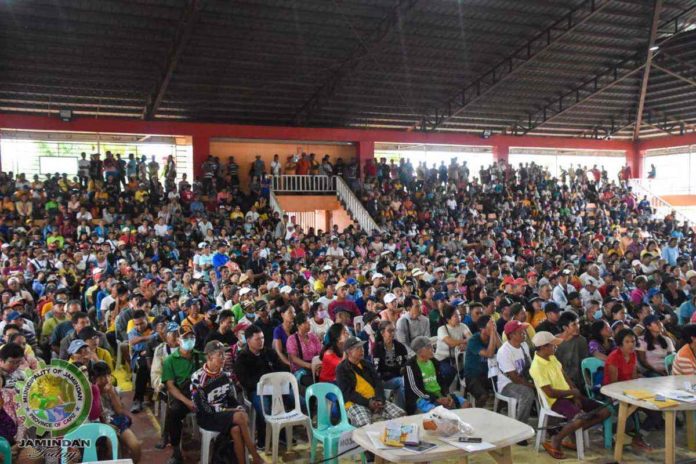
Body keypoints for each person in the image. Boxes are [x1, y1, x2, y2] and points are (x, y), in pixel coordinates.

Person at [529, 331, 611, 460]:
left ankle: (571, 432)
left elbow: (566, 378)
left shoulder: (552, 357)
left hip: (569, 395)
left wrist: (575, 395)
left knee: (605, 411)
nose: (556, 347)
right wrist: (571, 393)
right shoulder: (536, 366)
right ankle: (557, 439)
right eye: (552, 345)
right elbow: (550, 392)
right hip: (555, 400)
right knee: (580, 418)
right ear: (543, 347)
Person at [191, 341, 263, 464]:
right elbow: (202, 407)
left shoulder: (225, 375)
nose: (224, 358)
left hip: (225, 415)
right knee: (240, 416)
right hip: (207, 417)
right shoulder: (198, 377)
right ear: (209, 357)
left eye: (224, 355)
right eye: (220, 355)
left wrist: (238, 407)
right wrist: (229, 410)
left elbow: (230, 398)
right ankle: (255, 456)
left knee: (236, 429)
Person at [234, 325, 289, 448]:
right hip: (255, 391)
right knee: (265, 407)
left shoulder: (269, 352)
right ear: (248, 341)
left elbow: (281, 367)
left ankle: (282, 434)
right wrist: (263, 385)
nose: (261, 341)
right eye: (257, 339)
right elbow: (245, 381)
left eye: (263, 338)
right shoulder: (242, 358)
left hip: (275, 387)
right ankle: (263, 440)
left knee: (296, 401)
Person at [603, 329, 656, 446]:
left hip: (631, 392)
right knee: (628, 425)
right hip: (614, 394)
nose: (631, 344)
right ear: (620, 343)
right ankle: (605, 430)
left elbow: (633, 378)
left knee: (656, 413)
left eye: (633, 341)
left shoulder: (632, 355)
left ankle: (638, 437)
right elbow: (614, 385)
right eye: (627, 342)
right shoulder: (614, 358)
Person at [336, 336, 405, 427]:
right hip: (355, 403)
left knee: (402, 416)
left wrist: (379, 399)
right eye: (358, 348)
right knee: (365, 426)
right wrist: (368, 403)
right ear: (349, 352)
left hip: (375, 400)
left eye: (362, 347)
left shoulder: (367, 364)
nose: (362, 350)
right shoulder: (342, 369)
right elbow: (348, 393)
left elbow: (378, 383)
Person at [161, 325, 204, 464]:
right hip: (182, 396)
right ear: (178, 340)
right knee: (173, 412)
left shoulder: (201, 356)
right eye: (186, 338)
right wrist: (187, 402)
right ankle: (176, 450)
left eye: (192, 337)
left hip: (201, 395)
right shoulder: (170, 360)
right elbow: (171, 387)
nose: (189, 340)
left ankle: (218, 446)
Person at [91, 361, 142, 463]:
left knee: (135, 446)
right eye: (101, 377)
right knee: (114, 446)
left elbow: (119, 411)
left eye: (107, 376)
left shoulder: (112, 389)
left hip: (115, 420)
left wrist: (111, 393)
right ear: (94, 379)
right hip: (99, 424)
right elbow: (94, 416)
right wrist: (106, 425)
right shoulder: (90, 392)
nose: (106, 380)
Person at [404, 336, 469, 414]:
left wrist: (446, 394)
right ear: (420, 351)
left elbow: (442, 381)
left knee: (466, 404)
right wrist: (435, 399)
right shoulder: (410, 366)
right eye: (429, 347)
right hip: (422, 399)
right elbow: (415, 389)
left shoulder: (434, 362)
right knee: (439, 414)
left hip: (439, 395)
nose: (432, 349)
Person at [496, 320, 535, 428]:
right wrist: (532, 385)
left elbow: (530, 368)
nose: (524, 333)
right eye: (521, 332)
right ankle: (520, 427)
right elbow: (514, 378)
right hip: (507, 385)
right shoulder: (504, 351)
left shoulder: (524, 346)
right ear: (512, 335)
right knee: (527, 393)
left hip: (522, 379)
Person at [463, 315, 499, 406]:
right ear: (481, 329)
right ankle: (477, 412)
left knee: (505, 390)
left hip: (490, 374)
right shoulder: (473, 340)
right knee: (483, 396)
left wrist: (494, 332)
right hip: (473, 376)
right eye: (490, 327)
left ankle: (496, 411)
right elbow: (489, 354)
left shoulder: (493, 336)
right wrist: (492, 333)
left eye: (493, 325)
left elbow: (503, 350)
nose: (492, 328)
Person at [371, 321, 407, 409]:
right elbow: (376, 369)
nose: (393, 333)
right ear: (382, 333)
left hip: (399, 377)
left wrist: (401, 369)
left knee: (401, 387)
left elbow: (405, 364)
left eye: (394, 330)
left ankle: (401, 410)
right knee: (401, 382)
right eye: (390, 331)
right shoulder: (377, 348)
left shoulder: (400, 347)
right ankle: (405, 410)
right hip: (384, 380)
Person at [434, 305, 471, 391]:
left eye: (459, 315)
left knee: (470, 370)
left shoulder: (463, 326)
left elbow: (471, 339)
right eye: (456, 316)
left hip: (458, 358)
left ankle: (463, 392)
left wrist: (465, 346)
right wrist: (464, 341)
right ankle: (443, 391)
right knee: (449, 372)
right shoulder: (442, 329)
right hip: (443, 359)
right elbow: (451, 343)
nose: (459, 317)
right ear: (448, 319)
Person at [286, 312, 322, 392]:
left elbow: (320, 353)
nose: (309, 324)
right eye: (306, 323)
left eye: (309, 322)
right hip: (301, 370)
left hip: (315, 367)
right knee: (313, 383)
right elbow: (293, 358)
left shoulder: (313, 336)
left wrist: (318, 366)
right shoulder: (292, 339)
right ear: (298, 325)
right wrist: (309, 366)